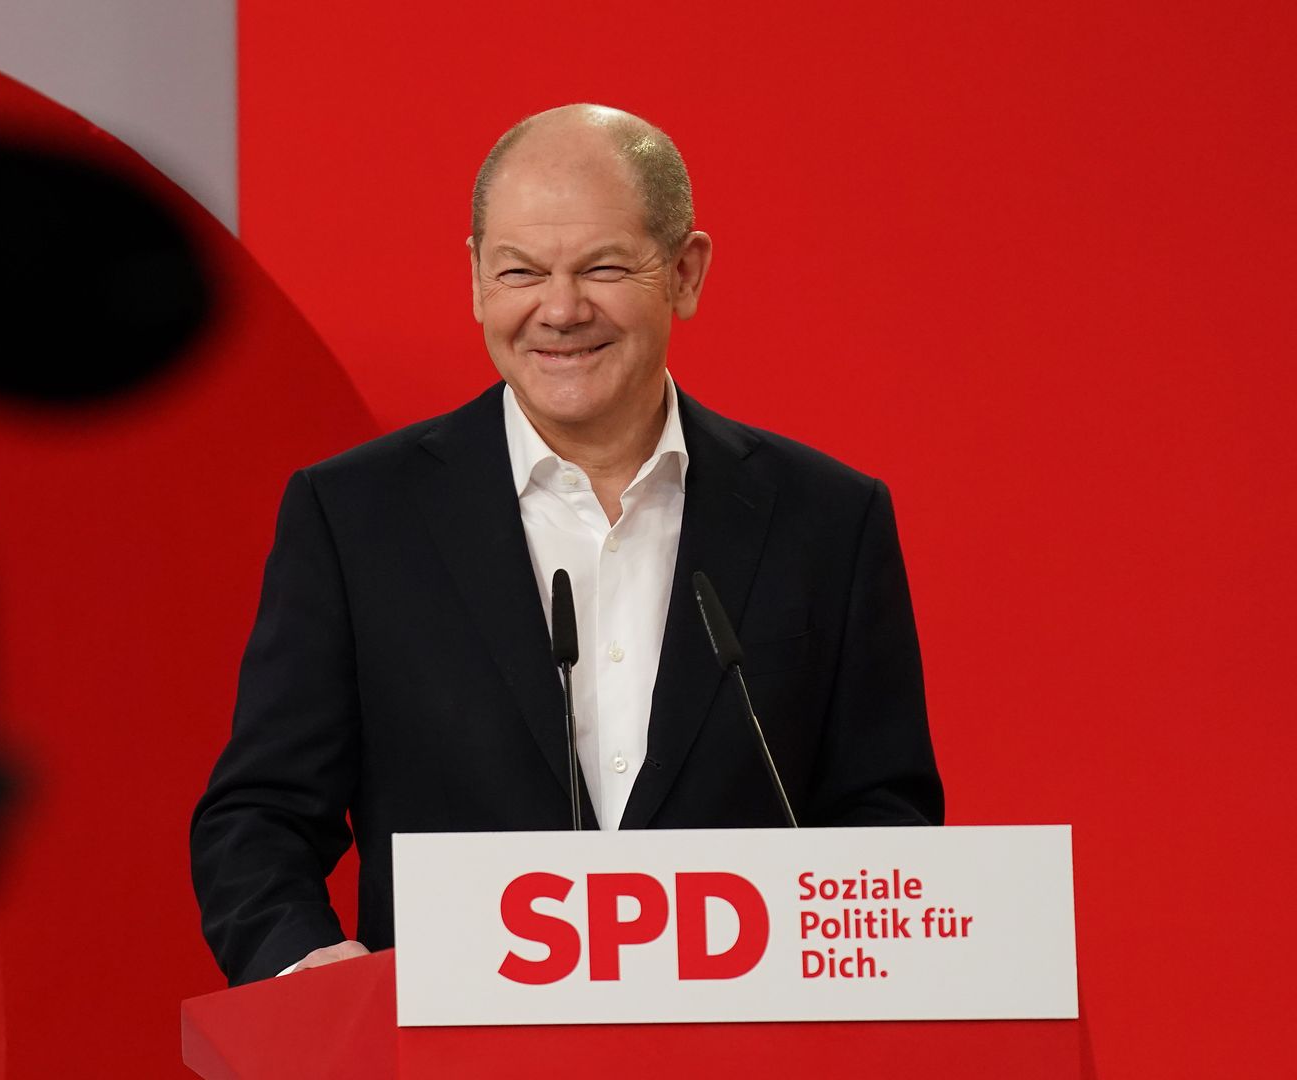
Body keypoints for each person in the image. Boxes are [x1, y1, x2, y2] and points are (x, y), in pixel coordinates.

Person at [190, 104, 943, 986]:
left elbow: (882, 813)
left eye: (604, 267)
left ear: (686, 273)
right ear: (476, 280)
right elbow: (261, 815)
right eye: (520, 272)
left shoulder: (828, 519)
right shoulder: (356, 516)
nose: (559, 309)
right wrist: (315, 982)